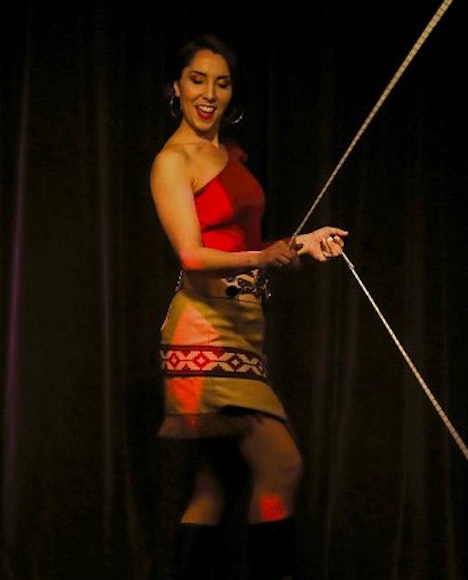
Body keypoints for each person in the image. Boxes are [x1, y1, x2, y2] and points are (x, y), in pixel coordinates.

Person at [150, 33, 348, 580]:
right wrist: (264, 256)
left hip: (243, 326)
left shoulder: (225, 154)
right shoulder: (173, 161)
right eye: (197, 79)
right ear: (177, 86)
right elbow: (192, 253)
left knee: (217, 483)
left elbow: (242, 242)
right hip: (204, 330)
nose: (209, 93)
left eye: (221, 81)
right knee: (281, 465)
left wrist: (301, 243)